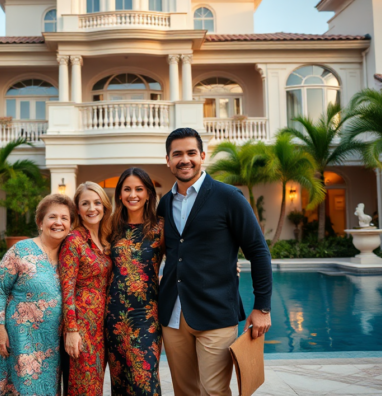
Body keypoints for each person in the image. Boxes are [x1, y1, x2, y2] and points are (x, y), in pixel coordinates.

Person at [158, 128, 273, 396]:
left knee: (214, 391)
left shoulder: (228, 197)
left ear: (202, 155)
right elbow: (169, 252)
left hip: (216, 312)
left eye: (190, 153)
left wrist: (263, 307)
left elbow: (257, 250)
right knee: (184, 391)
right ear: (168, 160)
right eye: (177, 154)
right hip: (173, 316)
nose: (184, 160)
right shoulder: (164, 204)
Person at [0, 194, 76, 396]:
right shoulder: (21, 250)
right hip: (20, 339)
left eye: (65, 218)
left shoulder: (70, 254)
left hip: (53, 343)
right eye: (52, 217)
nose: (58, 222)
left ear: (71, 225)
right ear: (40, 222)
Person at [105, 167, 165, 395]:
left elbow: (185, 258)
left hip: (147, 317)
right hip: (114, 317)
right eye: (127, 189)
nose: (133, 195)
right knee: (120, 384)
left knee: (144, 382)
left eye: (139, 189)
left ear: (149, 193)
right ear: (119, 194)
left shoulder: (161, 227)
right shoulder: (110, 226)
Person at [59, 182, 113, 395]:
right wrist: (72, 331)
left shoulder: (105, 240)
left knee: (95, 386)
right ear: (78, 209)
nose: (92, 208)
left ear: (104, 206)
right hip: (81, 327)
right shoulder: (73, 240)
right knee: (82, 387)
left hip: (101, 327)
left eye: (97, 203)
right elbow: (67, 288)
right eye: (85, 203)